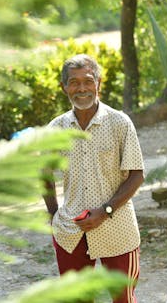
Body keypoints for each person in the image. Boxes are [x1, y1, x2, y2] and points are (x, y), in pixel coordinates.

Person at [44, 54, 145, 303]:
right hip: (71, 230)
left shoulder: (119, 123)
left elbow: (136, 175)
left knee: (123, 298)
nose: (81, 89)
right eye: (74, 82)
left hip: (118, 228)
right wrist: (54, 215)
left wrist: (105, 210)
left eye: (88, 81)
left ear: (98, 82)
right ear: (64, 87)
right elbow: (43, 173)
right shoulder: (56, 129)